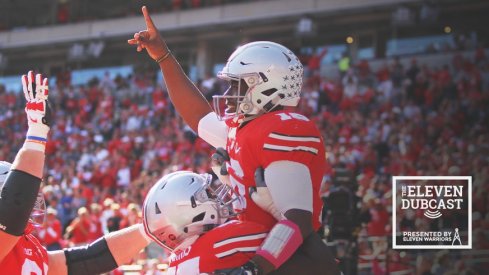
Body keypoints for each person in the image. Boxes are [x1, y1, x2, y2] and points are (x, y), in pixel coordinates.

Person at [129, 6, 340, 275]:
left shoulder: (282, 129)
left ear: (266, 84)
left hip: (279, 253)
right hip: (261, 239)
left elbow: (297, 220)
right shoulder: (248, 128)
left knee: (193, 263)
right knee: (186, 261)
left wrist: (254, 269)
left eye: (237, 85)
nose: (229, 95)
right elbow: (198, 117)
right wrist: (163, 57)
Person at [0, 71, 152, 275]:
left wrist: (150, 229)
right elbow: (14, 206)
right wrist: (37, 133)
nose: (30, 203)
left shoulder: (28, 246)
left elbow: (89, 259)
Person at [143, 171, 269, 275]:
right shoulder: (222, 240)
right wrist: (273, 208)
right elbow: (282, 237)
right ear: (188, 210)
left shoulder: (174, 261)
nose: (215, 197)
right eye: (207, 193)